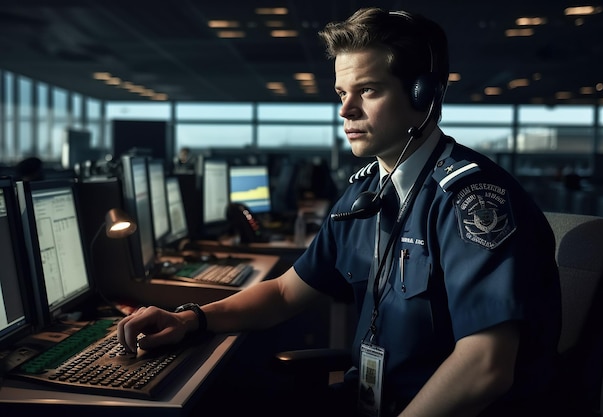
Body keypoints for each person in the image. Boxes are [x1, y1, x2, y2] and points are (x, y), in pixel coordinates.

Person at [117, 7, 562, 417]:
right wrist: (191, 319)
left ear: (424, 95)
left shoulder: (472, 200)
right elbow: (285, 294)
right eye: (341, 92)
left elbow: (485, 366)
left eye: (367, 90)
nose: (345, 110)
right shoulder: (365, 193)